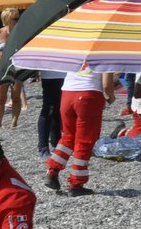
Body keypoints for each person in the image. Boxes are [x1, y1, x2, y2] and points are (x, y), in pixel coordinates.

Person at [45, 62, 115, 197]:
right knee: (85, 140)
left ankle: (52, 171)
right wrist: (110, 97)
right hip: (89, 94)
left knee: (68, 136)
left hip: (67, 93)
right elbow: (107, 85)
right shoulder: (106, 53)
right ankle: (76, 183)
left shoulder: (78, 49)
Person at [0, 7, 26, 130]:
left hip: (17, 66)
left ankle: (14, 122)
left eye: (17, 18)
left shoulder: (21, 32)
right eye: (15, 18)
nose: (17, 20)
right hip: (3, 67)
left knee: (16, 96)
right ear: (7, 19)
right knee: (1, 98)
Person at [35, 68, 64, 158]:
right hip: (52, 75)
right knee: (48, 110)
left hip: (61, 74)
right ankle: (43, 146)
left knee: (57, 110)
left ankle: (56, 143)